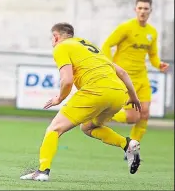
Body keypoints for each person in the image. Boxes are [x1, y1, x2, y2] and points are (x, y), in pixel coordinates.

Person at [20, 23, 142, 182]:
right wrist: (133, 97)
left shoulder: (61, 47)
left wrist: (59, 98)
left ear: (56, 37)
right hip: (119, 94)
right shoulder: (88, 45)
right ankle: (127, 144)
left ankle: (42, 171)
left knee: (54, 129)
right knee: (88, 126)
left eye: (52, 38)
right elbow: (122, 72)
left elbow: (67, 79)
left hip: (95, 91)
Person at [101, 0, 169, 159]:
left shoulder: (152, 32)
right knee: (132, 118)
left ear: (150, 11)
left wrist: (158, 64)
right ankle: (102, 114)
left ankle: (132, 149)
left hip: (142, 78)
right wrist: (110, 65)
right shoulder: (126, 28)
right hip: (124, 78)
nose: (143, 11)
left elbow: (152, 55)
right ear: (135, 10)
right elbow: (106, 44)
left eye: (146, 8)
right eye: (140, 8)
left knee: (144, 115)